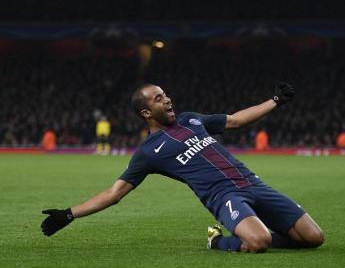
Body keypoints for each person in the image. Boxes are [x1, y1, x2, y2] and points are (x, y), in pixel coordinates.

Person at [41, 83, 324, 253]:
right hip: (226, 196)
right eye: (158, 98)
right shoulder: (148, 152)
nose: (167, 99)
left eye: (165, 94)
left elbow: (236, 120)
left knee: (314, 238)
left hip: (252, 182)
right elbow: (114, 193)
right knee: (259, 242)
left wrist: (274, 101)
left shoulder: (191, 120)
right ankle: (218, 242)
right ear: (146, 113)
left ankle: (254, 231)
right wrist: (69, 214)